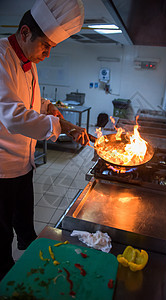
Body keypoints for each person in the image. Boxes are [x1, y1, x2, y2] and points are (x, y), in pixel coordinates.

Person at [0, 0, 90, 281]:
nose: (48, 54)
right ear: (25, 33)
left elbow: (29, 102)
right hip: (1, 170)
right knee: (1, 240)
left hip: (24, 168)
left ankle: (32, 265)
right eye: (45, 46)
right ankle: (8, 283)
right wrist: (60, 124)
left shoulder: (28, 61)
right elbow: (12, 114)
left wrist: (48, 107)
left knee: (27, 229)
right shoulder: (1, 56)